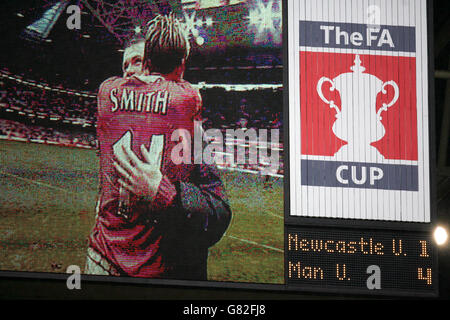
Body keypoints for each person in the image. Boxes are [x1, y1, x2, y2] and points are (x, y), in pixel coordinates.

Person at [85, 14, 231, 280]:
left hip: (162, 267)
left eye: (138, 61)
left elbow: (218, 213)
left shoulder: (193, 134)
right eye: (124, 65)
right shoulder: (186, 102)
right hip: (108, 256)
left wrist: (165, 193)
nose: (129, 71)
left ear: (151, 65)